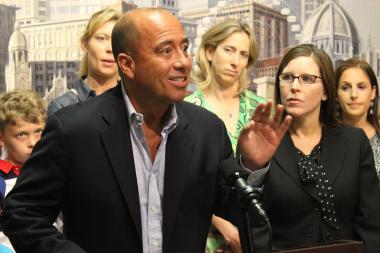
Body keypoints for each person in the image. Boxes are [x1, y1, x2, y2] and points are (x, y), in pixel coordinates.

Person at [0, 8, 291, 253]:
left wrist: (251, 165)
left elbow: (234, 211)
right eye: (166, 50)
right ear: (127, 64)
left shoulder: (207, 131)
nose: (182, 62)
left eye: (185, 48)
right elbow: (23, 213)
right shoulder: (74, 128)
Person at [249, 44, 380, 252]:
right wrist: (252, 165)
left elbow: (371, 223)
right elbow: (246, 218)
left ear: (326, 91)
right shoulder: (260, 140)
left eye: (307, 79)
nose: (294, 86)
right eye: (287, 77)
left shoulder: (354, 141)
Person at [185, 19, 265, 253]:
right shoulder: (186, 110)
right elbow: (180, 184)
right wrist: (225, 228)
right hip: (203, 235)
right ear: (210, 51)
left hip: (252, 233)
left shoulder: (260, 110)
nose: (235, 61)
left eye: (243, 54)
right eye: (229, 50)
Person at [47, 7, 120, 115]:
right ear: (85, 45)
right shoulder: (62, 107)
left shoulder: (137, 100)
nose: (110, 48)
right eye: (101, 38)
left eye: (116, 39)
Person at [0, 90, 46, 252]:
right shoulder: (2, 180)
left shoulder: (55, 171)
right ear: (2, 139)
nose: (33, 142)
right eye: (21, 135)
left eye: (39, 132)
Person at [335, 58, 380, 182]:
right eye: (345, 88)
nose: (354, 94)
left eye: (361, 87)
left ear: (373, 92)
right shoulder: (322, 138)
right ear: (336, 95)